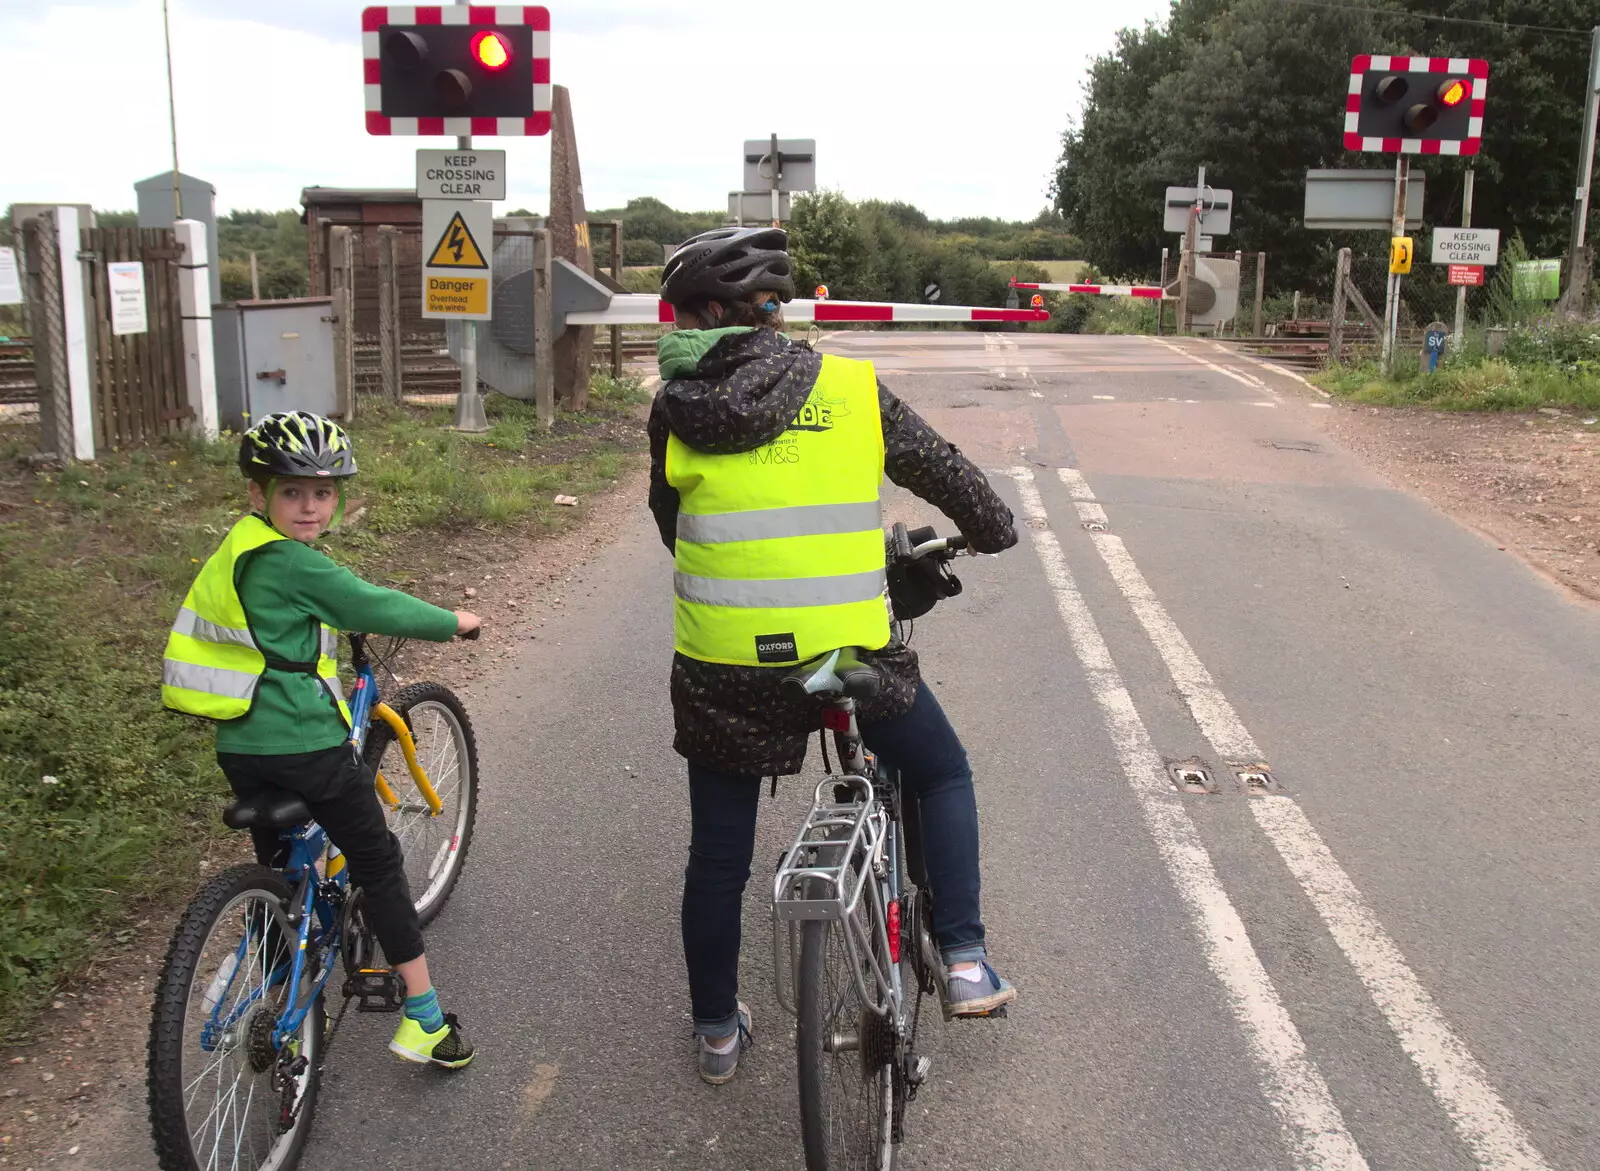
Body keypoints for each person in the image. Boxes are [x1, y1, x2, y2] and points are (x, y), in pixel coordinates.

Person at [649, 227, 1019, 1085]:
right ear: (771, 312)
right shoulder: (850, 387)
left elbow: (675, 527)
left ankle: (716, 1035)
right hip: (851, 650)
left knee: (717, 856)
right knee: (941, 771)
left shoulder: (676, 405)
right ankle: (965, 959)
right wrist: (992, 531)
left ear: (702, 315)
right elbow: (949, 475)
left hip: (724, 667)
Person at [161, 410, 478, 1069]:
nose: (310, 507)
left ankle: (278, 983)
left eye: (323, 493)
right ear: (259, 494)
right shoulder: (291, 563)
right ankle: (424, 1021)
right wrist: (454, 620)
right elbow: (372, 604)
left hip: (242, 746)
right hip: (303, 746)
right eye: (292, 492)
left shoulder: (239, 549)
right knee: (379, 859)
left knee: (281, 862)